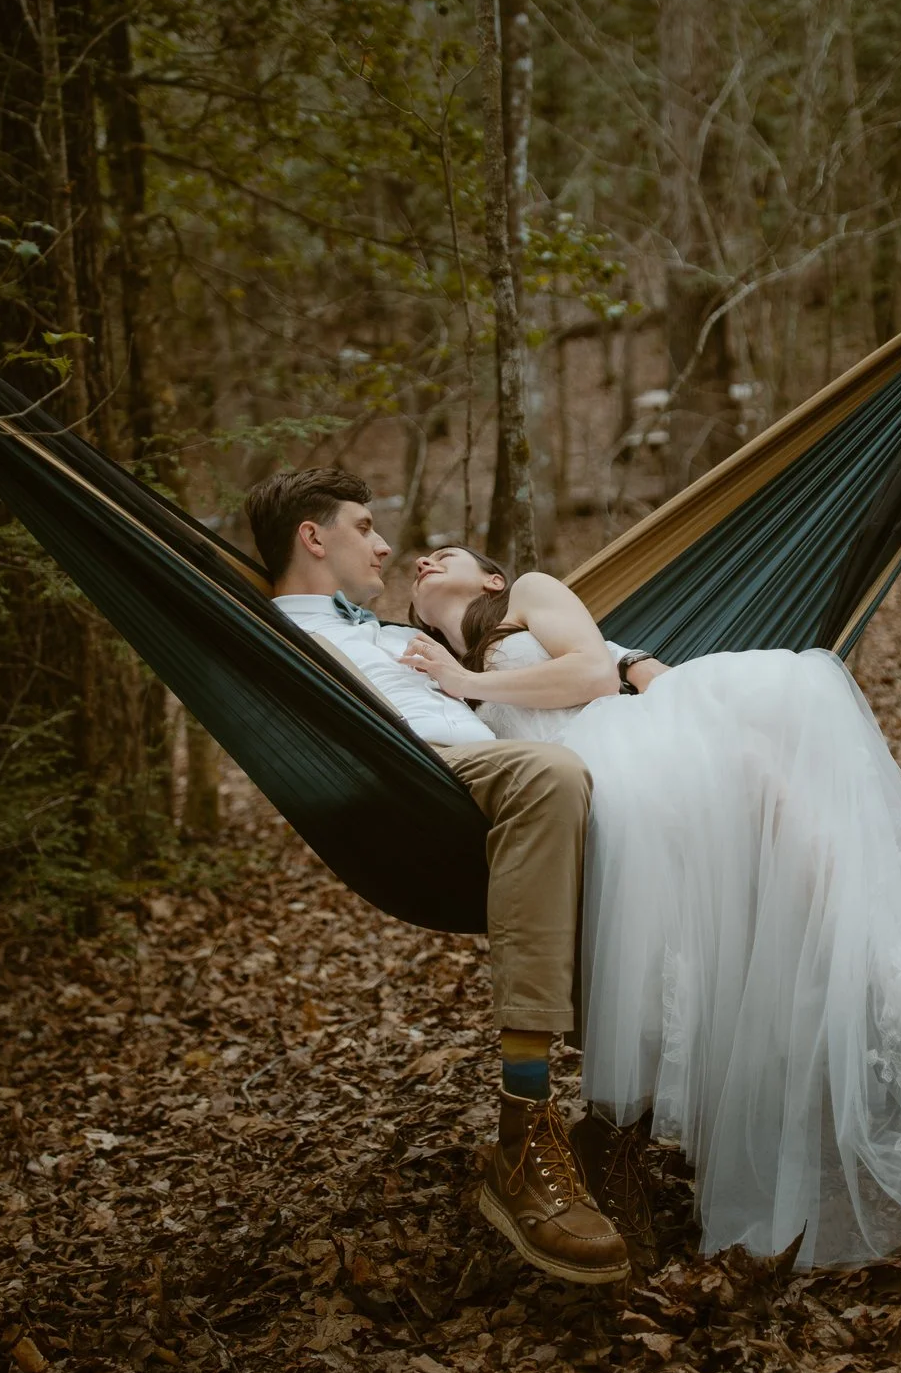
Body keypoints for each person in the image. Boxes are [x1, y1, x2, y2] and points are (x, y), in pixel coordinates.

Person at [406, 546, 901, 1271]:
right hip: (570, 806)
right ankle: (623, 1135)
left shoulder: (530, 594)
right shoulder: (425, 673)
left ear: (491, 578)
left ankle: (895, 982)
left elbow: (589, 669)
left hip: (620, 750)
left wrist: (469, 678)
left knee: (751, 791)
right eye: (415, 560)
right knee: (687, 936)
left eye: (443, 551)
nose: (421, 558)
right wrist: (450, 683)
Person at [244, 469, 629, 1285]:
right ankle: (524, 1127)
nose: (385, 544)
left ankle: (630, 1110)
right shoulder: (270, 636)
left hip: (501, 758)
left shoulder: (391, 630)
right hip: (427, 775)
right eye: (365, 525)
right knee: (552, 778)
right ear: (315, 538)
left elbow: (555, 652)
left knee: (653, 823)